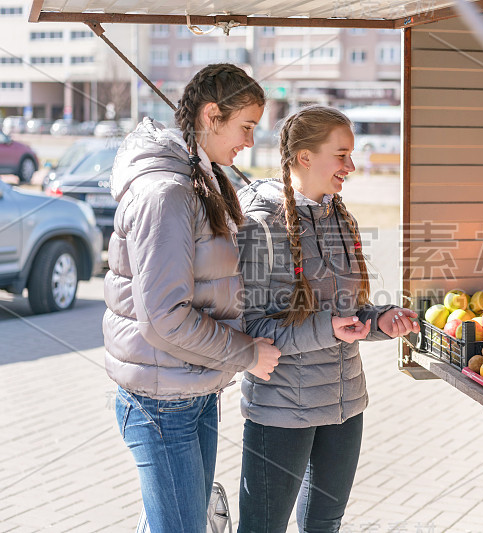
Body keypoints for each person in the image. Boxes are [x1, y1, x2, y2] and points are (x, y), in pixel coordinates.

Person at [102, 63, 282, 533]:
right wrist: (246, 352)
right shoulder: (167, 193)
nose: (249, 141)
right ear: (211, 115)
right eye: (245, 126)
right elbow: (164, 317)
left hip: (192, 388)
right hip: (161, 401)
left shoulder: (203, 180)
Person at [235, 105, 420, 532]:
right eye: (341, 155)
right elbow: (252, 330)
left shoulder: (339, 217)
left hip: (344, 407)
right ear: (305, 157)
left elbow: (347, 315)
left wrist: (380, 321)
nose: (351, 166)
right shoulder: (261, 227)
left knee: (325, 525)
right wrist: (327, 329)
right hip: (281, 410)